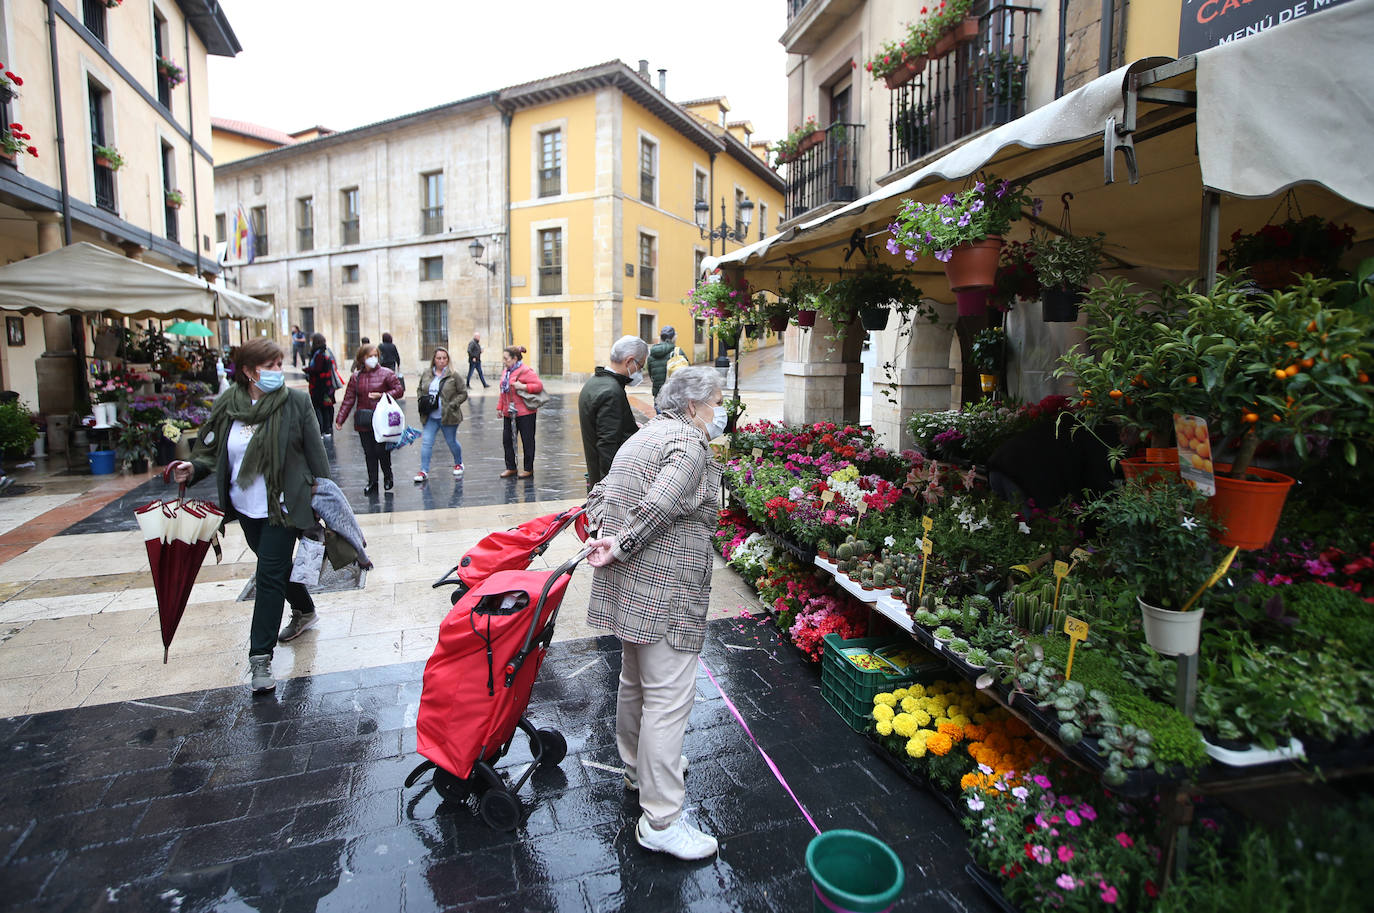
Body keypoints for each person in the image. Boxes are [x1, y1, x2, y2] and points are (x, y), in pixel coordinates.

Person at [582, 366, 726, 860]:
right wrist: (620, 544)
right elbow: (662, 503)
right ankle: (662, 819)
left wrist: (606, 537)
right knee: (667, 699)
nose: (719, 412)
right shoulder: (688, 442)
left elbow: (601, 492)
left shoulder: (644, 436)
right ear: (693, 406)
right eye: (715, 403)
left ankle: (634, 769)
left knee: (635, 683)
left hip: (633, 587)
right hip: (666, 587)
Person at [168, 338, 330, 694]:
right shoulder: (229, 404)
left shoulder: (296, 403)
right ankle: (304, 609)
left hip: (284, 507)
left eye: (279, 364)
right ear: (247, 371)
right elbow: (209, 451)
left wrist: (326, 503)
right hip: (244, 507)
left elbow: (318, 457)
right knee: (273, 568)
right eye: (270, 366)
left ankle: (260, 658)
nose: (278, 372)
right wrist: (191, 468)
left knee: (268, 576)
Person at [578, 335, 648, 490]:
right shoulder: (612, 391)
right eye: (640, 366)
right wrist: (609, 488)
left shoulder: (594, 382)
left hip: (597, 475)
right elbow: (607, 444)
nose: (640, 371)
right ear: (629, 361)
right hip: (607, 482)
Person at [336, 343, 404, 494]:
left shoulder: (386, 373)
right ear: (362, 359)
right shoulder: (356, 377)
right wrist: (340, 419)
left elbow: (399, 390)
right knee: (369, 453)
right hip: (364, 420)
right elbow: (348, 399)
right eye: (369, 356)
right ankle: (372, 481)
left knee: (381, 451)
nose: (373, 359)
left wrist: (383, 395)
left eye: (375, 355)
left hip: (381, 420)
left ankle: (388, 476)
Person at [414, 346, 469, 483]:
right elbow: (420, 389)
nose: (442, 361)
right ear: (434, 359)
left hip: (448, 416)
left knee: (451, 442)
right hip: (430, 416)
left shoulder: (453, 375)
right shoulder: (427, 373)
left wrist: (452, 404)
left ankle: (459, 463)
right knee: (426, 442)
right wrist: (422, 401)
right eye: (439, 358)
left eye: (444, 358)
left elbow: (463, 393)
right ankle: (423, 470)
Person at [497, 345, 543, 479]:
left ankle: (528, 469)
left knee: (527, 441)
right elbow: (503, 392)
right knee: (507, 440)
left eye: (506, 359)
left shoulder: (525, 371)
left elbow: (538, 386)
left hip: (525, 413)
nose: (504, 361)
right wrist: (500, 408)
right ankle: (511, 467)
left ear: (514, 358)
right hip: (509, 412)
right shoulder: (506, 372)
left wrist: (523, 386)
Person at [302, 333, 341, 436]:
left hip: (320, 386)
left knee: (320, 407)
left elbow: (317, 369)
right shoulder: (327, 352)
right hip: (327, 385)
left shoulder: (318, 354)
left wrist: (306, 369)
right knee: (327, 407)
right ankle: (328, 428)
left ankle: (324, 429)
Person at [645, 326, 688, 407]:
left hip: (659, 396)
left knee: (661, 418)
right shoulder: (677, 352)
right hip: (675, 396)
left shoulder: (652, 353)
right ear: (674, 337)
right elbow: (687, 373)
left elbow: (651, 376)